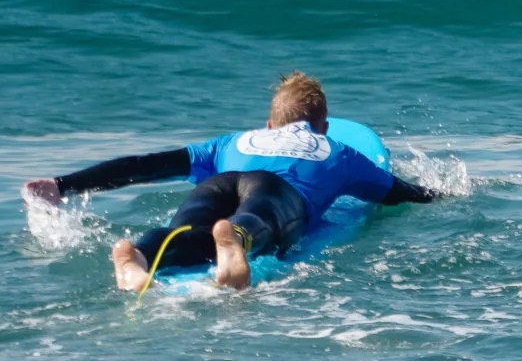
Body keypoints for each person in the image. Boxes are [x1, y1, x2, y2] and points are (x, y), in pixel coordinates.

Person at [24, 71, 439, 291]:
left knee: (187, 231)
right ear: (323, 126)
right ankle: (237, 239)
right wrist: (443, 193)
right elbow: (399, 193)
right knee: (260, 221)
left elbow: (145, 165)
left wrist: (63, 185)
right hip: (277, 192)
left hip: (220, 182)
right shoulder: (337, 151)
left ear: (269, 123)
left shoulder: (231, 141)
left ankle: (139, 254)